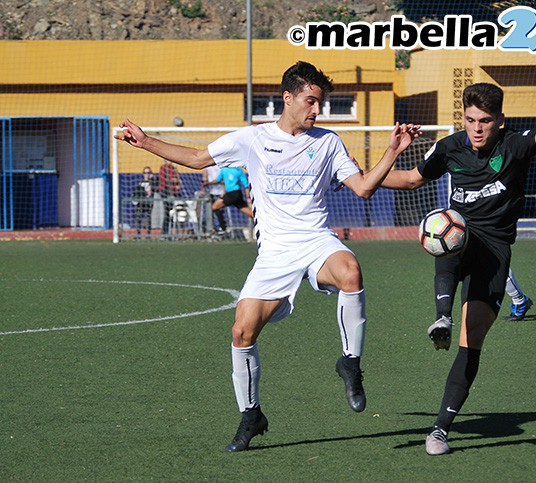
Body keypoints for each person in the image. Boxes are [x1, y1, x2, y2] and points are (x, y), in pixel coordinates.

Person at [115, 60, 421, 452]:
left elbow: (362, 188)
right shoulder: (252, 139)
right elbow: (195, 158)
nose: (316, 110)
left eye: (320, 104)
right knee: (241, 332)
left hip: (315, 241)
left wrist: (393, 150)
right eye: (310, 101)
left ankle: (350, 362)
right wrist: (145, 142)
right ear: (288, 97)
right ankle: (251, 415)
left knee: (350, 272)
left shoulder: (327, 143)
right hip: (275, 252)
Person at [381, 82, 536, 455]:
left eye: (485, 121)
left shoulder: (515, 144)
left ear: (500, 121)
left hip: (495, 250)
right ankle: (441, 317)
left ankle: (440, 429)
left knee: (472, 338)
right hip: (461, 233)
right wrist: (357, 174)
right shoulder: (449, 147)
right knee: (448, 230)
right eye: (471, 119)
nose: (476, 128)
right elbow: (411, 179)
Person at [202, 166, 253, 237]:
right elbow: (246, 184)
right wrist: (248, 196)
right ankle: (261, 222)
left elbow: (217, 180)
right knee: (250, 213)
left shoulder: (225, 169)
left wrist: (208, 183)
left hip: (231, 194)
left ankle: (222, 227)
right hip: (238, 194)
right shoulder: (238, 170)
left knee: (214, 207)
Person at [131, 166, 157, 239]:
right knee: (138, 216)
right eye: (145, 173)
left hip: (149, 203)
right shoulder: (140, 183)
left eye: (149, 173)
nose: (147, 174)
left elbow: (156, 188)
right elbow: (137, 192)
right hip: (141, 203)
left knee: (148, 218)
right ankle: (138, 233)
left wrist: (152, 179)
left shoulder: (153, 182)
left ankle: (148, 234)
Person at [158, 159, 182, 236]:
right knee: (167, 212)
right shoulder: (163, 168)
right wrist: (172, 180)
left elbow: (178, 180)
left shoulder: (174, 169)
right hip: (165, 191)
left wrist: (176, 182)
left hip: (173, 192)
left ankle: (174, 232)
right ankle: (165, 233)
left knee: (174, 212)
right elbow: (163, 180)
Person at [201, 164, 227, 234]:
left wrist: (224, 192)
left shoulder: (221, 166)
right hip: (211, 192)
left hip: (220, 192)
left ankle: (221, 227)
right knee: (210, 211)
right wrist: (202, 190)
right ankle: (211, 228)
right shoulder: (207, 167)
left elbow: (224, 180)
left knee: (219, 211)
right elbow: (204, 179)